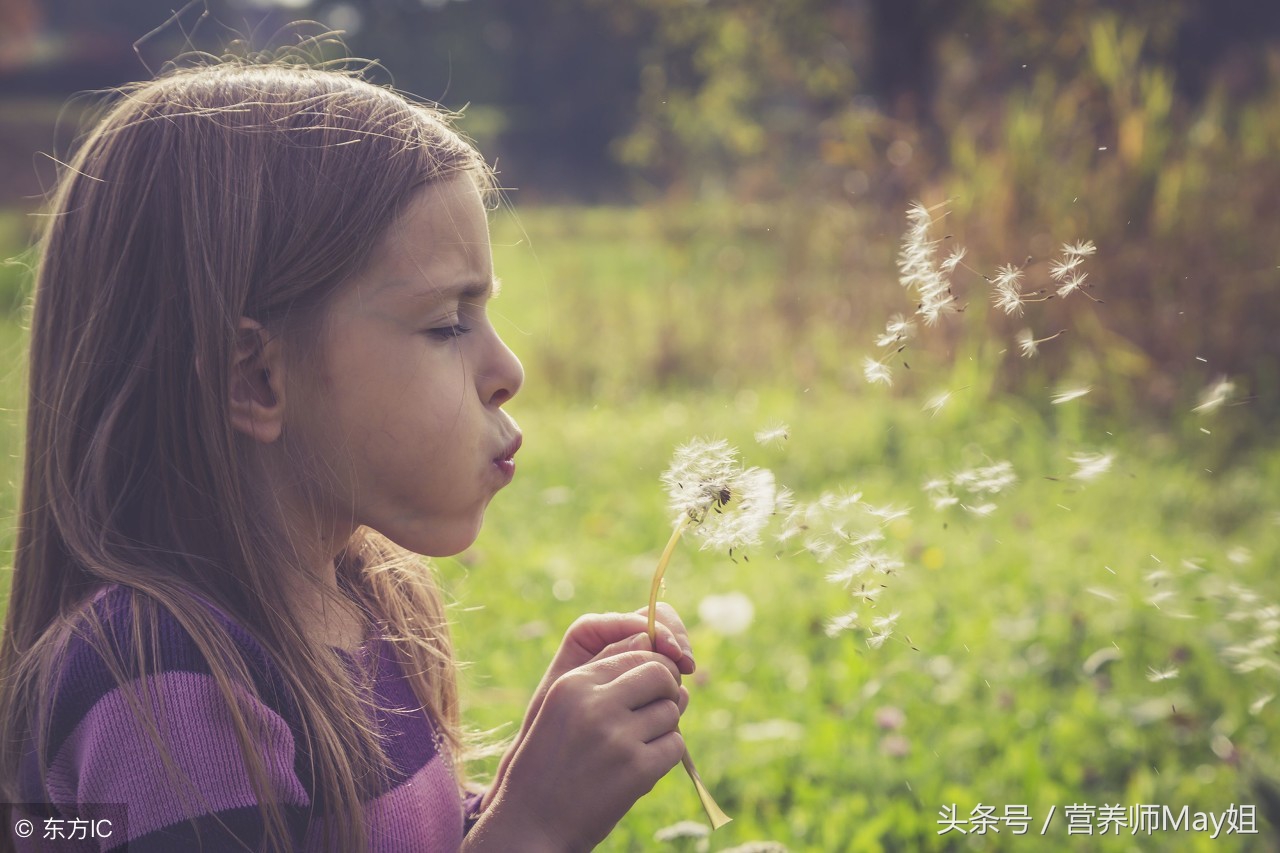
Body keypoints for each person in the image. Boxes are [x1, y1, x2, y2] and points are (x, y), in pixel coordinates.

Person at [0, 58, 696, 852]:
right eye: (446, 324)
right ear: (257, 378)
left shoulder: (368, 600)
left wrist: (520, 784)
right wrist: (531, 828)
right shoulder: (161, 683)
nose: (510, 372)